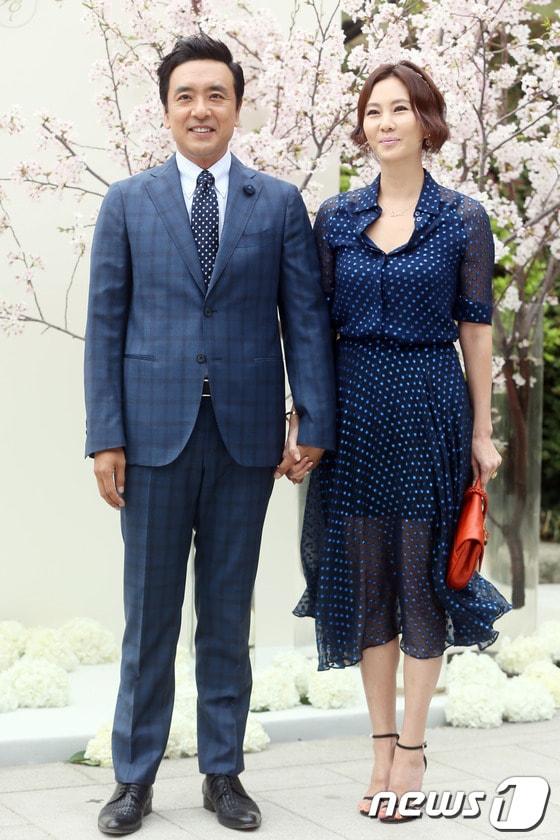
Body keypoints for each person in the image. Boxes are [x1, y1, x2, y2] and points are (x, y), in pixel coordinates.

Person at [84, 33, 335, 836]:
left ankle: (223, 774)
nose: (201, 108)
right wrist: (105, 435)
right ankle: (134, 780)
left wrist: (312, 419)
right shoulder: (127, 203)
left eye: (215, 95)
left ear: (237, 107)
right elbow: (105, 325)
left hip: (244, 441)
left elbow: (304, 320)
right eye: (186, 96)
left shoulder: (279, 204)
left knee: (228, 614)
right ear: (166, 109)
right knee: (149, 616)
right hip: (151, 441)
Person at [288, 59, 513, 823]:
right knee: (367, 582)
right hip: (354, 414)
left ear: (426, 121)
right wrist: (305, 417)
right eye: (373, 111)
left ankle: (412, 750)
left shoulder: (463, 218)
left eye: (399, 109)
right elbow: (312, 330)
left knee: (420, 578)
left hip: (428, 408)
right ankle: (379, 746)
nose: (384, 123)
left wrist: (483, 430)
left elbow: (475, 331)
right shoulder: (336, 216)